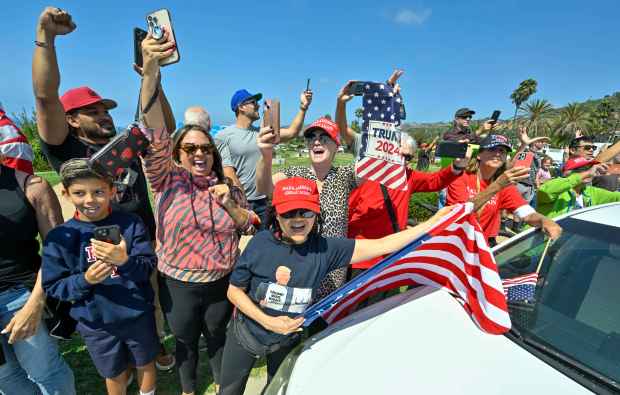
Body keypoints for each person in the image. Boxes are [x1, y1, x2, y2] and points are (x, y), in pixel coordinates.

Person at [31, 6, 174, 368]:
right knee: (112, 300)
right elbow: (46, 98)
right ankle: (120, 361)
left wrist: (152, 77)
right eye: (92, 111)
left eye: (105, 109)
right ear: (71, 119)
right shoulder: (66, 148)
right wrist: (46, 38)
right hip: (94, 246)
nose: (103, 114)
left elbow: (163, 128)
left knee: (149, 298)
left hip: (141, 237)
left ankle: (153, 347)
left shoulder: (126, 140)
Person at [218, 177, 453, 395]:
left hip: (286, 341)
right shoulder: (260, 243)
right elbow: (234, 290)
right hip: (246, 335)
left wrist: (432, 223)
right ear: (276, 215)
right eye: (289, 212)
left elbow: (382, 245)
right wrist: (269, 321)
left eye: (306, 211)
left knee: (278, 389)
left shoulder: (326, 249)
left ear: (317, 214)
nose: (298, 219)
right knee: (229, 390)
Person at [138, 47, 257, 395]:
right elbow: (155, 132)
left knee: (219, 337)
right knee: (187, 342)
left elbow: (250, 224)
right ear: (177, 154)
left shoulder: (227, 187)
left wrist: (231, 206)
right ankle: (189, 390)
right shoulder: (166, 179)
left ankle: (222, 387)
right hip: (179, 284)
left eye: (205, 148)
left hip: (221, 281)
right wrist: (150, 75)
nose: (199, 154)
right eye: (190, 149)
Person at [42, 159, 158, 395]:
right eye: (79, 193)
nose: (89, 200)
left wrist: (124, 261)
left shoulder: (131, 224)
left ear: (112, 191)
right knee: (113, 373)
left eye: (98, 191)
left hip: (137, 314)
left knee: (145, 362)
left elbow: (147, 267)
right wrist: (86, 280)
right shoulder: (59, 236)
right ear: (65, 193)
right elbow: (53, 285)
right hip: (96, 323)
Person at [334, 73, 467, 272]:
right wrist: (341, 104)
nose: (403, 160)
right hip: (360, 256)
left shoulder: (408, 177)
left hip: (390, 259)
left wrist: (457, 166)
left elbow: (436, 181)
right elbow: (345, 131)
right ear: (388, 148)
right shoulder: (369, 168)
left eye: (408, 157)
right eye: (400, 153)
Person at [256, 117, 358, 299]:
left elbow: (373, 165)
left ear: (336, 145)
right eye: (311, 137)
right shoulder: (294, 173)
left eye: (324, 137)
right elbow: (264, 188)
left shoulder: (344, 175)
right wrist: (265, 156)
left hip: (333, 272)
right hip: (299, 268)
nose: (316, 141)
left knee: (328, 323)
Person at [0, 157, 75, 395]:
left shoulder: (32, 186)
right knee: (6, 377)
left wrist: (35, 304)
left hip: (20, 296)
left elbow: (57, 253)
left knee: (46, 372)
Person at [214, 88, 313, 224]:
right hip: (239, 203)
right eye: (253, 102)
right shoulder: (223, 136)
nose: (258, 105)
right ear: (241, 107)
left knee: (264, 241)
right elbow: (229, 173)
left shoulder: (263, 134)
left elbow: (292, 132)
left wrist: (303, 107)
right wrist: (243, 205)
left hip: (264, 201)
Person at [447, 134, 562, 246]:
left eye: (502, 151)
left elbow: (527, 214)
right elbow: (459, 213)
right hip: (454, 242)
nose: (497, 153)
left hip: (481, 247)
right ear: (479, 155)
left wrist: (545, 221)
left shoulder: (505, 186)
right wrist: (497, 185)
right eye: (492, 149)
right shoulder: (460, 177)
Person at [537, 158, 620, 218]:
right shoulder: (556, 186)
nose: (591, 171)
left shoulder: (590, 191)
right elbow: (546, 192)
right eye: (583, 169)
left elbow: (616, 197)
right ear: (567, 172)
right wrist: (586, 173)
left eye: (591, 168)